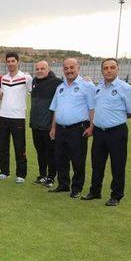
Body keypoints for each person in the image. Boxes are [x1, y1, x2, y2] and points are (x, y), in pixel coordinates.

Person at [82, 58, 131, 206]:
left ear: (117, 69)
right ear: (102, 71)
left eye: (112, 67)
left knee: (117, 164)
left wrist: (116, 118)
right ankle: (95, 192)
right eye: (106, 68)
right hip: (99, 132)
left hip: (117, 132)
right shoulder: (99, 87)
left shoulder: (125, 88)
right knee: (97, 164)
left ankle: (116, 195)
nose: (109, 70)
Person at [48, 58, 95, 198]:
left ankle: (77, 187)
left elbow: (92, 108)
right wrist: (53, 128)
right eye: (66, 68)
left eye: (72, 67)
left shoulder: (87, 85)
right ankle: (63, 184)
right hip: (60, 129)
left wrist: (92, 126)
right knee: (60, 158)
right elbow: (56, 109)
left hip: (78, 128)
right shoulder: (60, 87)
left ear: (78, 68)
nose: (69, 70)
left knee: (77, 159)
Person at [0, 52, 32, 183]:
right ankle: (4, 172)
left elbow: (33, 91)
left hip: (18, 118)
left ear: (18, 62)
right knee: (3, 147)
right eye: (8, 61)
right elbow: (2, 94)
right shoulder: (4, 78)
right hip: (3, 117)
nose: (11, 63)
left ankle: (21, 174)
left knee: (19, 147)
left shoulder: (25, 78)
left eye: (13, 61)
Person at [30, 60, 62, 187]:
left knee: (50, 153)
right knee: (40, 152)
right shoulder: (34, 81)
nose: (39, 71)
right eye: (37, 69)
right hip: (35, 125)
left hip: (48, 126)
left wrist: (86, 80)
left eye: (42, 68)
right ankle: (42, 175)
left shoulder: (57, 83)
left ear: (49, 69)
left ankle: (51, 177)